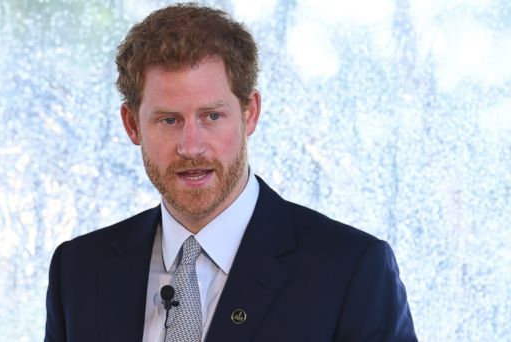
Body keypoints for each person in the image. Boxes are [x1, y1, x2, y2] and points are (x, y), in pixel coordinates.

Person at [44, 3, 417, 341]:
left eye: (212, 116)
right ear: (132, 124)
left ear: (249, 112)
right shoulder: (77, 270)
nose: (191, 147)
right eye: (169, 120)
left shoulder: (351, 270)